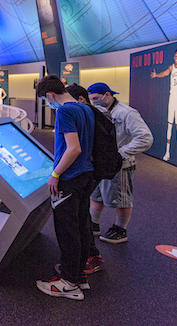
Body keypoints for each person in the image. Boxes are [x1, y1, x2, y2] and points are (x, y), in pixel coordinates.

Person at [35, 75, 94, 300]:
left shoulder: (65, 112)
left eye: (46, 100)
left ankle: (69, 284)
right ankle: (78, 275)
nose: (48, 104)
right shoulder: (85, 108)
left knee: (67, 230)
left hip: (70, 177)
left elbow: (73, 148)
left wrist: (55, 174)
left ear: (50, 95)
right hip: (86, 175)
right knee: (81, 227)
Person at [87, 83, 153, 244]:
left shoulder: (127, 113)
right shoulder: (98, 112)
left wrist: (122, 153)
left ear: (107, 95)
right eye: (91, 100)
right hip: (101, 163)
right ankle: (93, 225)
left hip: (120, 165)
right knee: (96, 195)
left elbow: (145, 138)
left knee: (122, 199)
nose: (94, 102)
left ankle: (120, 230)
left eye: (96, 98)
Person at [64, 84, 104, 274]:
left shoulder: (84, 113)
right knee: (83, 215)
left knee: (78, 218)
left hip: (83, 172)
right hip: (89, 170)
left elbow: (76, 147)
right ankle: (87, 257)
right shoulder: (90, 113)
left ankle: (83, 262)